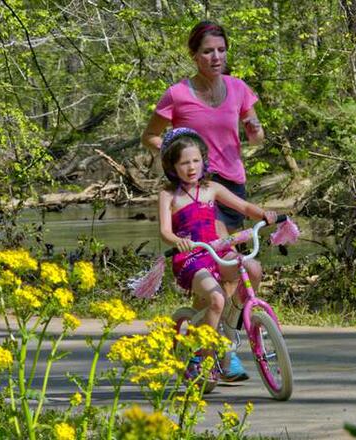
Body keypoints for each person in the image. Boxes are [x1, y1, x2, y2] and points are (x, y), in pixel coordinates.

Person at [157, 128, 276, 383]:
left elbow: (242, 206)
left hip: (216, 250)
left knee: (253, 269)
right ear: (172, 166)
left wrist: (264, 215)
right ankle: (204, 357)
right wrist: (180, 242)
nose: (191, 167)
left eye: (196, 161)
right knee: (216, 298)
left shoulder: (211, 188)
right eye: (184, 163)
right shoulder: (168, 195)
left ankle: (230, 328)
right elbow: (165, 231)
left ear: (203, 161)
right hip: (191, 257)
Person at [142, 20, 265, 234]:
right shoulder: (177, 94)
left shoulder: (239, 88)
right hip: (196, 184)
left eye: (221, 50)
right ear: (194, 55)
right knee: (224, 250)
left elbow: (257, 139)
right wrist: (177, 155)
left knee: (229, 254)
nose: (216, 57)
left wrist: (255, 131)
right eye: (208, 51)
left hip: (233, 182)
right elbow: (149, 136)